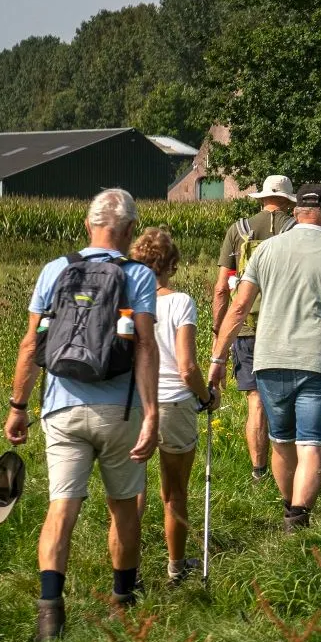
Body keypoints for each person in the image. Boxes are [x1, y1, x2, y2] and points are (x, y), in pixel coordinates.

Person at [5, 188, 160, 642]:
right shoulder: (139, 275)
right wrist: (151, 414)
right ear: (129, 230)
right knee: (123, 507)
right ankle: (122, 603)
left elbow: (31, 344)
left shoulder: (56, 269)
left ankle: (50, 616)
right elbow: (146, 347)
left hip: (62, 407)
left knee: (61, 509)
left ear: (87, 225)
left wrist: (17, 406)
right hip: (119, 410)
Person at [206, 183, 321, 534]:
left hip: (269, 359)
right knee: (311, 444)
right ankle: (298, 518)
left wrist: (217, 358)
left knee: (282, 441)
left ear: (298, 211)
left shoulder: (265, 251)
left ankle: (291, 507)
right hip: (318, 361)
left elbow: (239, 306)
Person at [132, 225, 214, 587]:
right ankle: (176, 567)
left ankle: (127, 572)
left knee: (131, 490)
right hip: (175, 405)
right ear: (172, 264)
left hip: (134, 403)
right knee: (175, 491)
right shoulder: (180, 302)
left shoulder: (128, 303)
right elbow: (187, 368)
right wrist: (207, 396)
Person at [211, 176, 298, 484]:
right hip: (287, 326)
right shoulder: (297, 231)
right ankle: (288, 470)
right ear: (289, 201)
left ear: (262, 199)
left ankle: (259, 471)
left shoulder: (238, 231)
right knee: (290, 398)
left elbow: (222, 288)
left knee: (256, 402)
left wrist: (217, 331)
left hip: (247, 326)